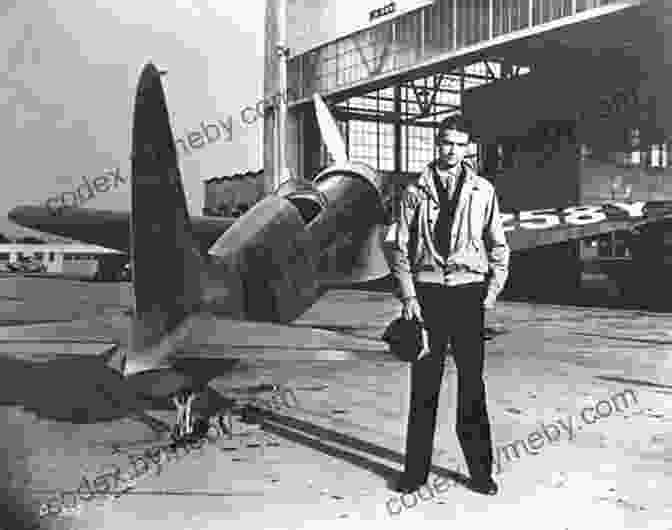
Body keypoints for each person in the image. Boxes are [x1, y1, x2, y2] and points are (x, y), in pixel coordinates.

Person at [388, 114, 510, 496]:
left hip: (468, 293)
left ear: (467, 147)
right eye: (445, 142)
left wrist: (489, 295)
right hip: (427, 297)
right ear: (435, 144)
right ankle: (415, 473)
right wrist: (408, 296)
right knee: (424, 388)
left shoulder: (483, 191)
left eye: (459, 143)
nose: (451, 150)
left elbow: (499, 247)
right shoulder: (413, 192)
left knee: (472, 388)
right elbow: (399, 248)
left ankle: (481, 472)